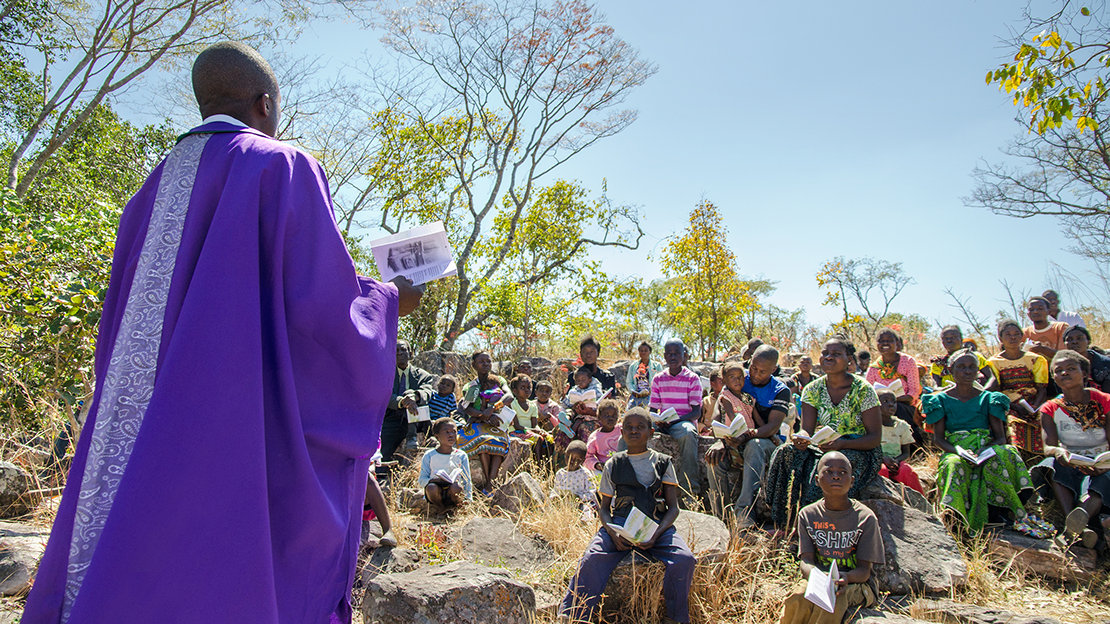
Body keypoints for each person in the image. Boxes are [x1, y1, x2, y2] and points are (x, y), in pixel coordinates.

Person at [21, 42, 425, 624]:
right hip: (237, 420)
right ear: (264, 104)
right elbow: (324, 315)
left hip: (142, 424)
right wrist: (389, 302)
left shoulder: (148, 193)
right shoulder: (281, 167)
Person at [559, 408, 695, 624]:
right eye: (629, 427)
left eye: (640, 427)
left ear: (651, 432)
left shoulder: (663, 462)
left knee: (684, 559)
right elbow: (604, 508)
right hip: (621, 523)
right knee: (592, 556)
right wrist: (612, 532)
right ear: (622, 433)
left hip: (656, 525)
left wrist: (656, 534)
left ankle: (675, 617)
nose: (634, 431)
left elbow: (673, 508)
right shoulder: (614, 463)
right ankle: (575, 615)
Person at [763, 337, 883, 528]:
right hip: (826, 445)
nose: (828, 357)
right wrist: (801, 439)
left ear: (849, 359)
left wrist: (843, 444)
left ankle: (818, 527)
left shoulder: (863, 390)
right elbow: (807, 429)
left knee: (828, 467)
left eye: (836, 354)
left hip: (859, 449)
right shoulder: (813, 389)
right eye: (825, 353)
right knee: (785, 453)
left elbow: (875, 438)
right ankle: (784, 521)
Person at [923, 349, 1032, 533]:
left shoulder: (989, 399)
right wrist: (959, 451)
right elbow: (939, 439)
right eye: (961, 367)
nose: (967, 371)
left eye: (972, 367)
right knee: (953, 464)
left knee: (1005, 453)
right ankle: (957, 519)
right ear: (951, 369)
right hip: (956, 448)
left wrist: (984, 450)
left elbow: (1000, 437)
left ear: (978, 372)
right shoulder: (940, 400)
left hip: (985, 447)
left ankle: (1001, 513)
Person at [778, 452, 885, 624]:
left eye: (843, 472)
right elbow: (806, 561)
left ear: (852, 481)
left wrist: (846, 578)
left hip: (856, 584)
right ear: (816, 479)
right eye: (829, 472)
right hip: (819, 581)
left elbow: (865, 571)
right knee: (797, 598)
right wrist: (817, 577)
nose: (836, 476)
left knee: (832, 601)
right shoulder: (808, 514)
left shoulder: (865, 518)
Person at [1035, 350, 1110, 549]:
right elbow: (1048, 446)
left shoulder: (1104, 401)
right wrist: (1059, 452)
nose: (1064, 373)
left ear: (1084, 373)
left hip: (1104, 461)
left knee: (1103, 479)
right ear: (1054, 378)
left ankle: (1074, 527)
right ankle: (1074, 522)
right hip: (1072, 460)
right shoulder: (1049, 408)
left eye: (1071, 368)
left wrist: (1105, 463)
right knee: (1052, 464)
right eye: (1058, 371)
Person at [705, 351, 785, 526]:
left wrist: (749, 435)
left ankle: (744, 513)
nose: (754, 374)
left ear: (774, 370)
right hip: (734, 437)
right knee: (713, 458)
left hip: (757, 440)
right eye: (753, 368)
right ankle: (721, 516)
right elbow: (720, 415)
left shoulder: (780, 391)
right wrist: (721, 440)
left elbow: (769, 426)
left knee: (754, 446)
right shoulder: (736, 381)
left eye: (762, 371)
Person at [647, 339, 704, 502]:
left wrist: (675, 420)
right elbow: (653, 409)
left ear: (684, 355)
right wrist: (656, 420)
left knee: (688, 433)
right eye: (669, 354)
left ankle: (690, 490)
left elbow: (696, 412)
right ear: (664, 356)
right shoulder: (658, 378)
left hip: (681, 421)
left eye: (676, 353)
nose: (672, 357)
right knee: (634, 429)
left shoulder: (692, 378)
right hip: (662, 421)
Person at [989, 319, 1050, 457]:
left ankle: (1045, 458)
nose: (1013, 337)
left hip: (1034, 402)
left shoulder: (1036, 359)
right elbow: (997, 389)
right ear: (1000, 338)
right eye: (1008, 335)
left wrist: (1035, 406)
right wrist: (1014, 407)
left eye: (1016, 334)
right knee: (1013, 422)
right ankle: (1020, 458)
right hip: (1009, 404)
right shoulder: (993, 362)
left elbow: (1042, 388)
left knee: (1044, 420)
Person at [457, 352, 512, 490]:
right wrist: (483, 415)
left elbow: (509, 396)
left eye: (488, 361)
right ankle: (489, 482)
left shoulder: (499, 380)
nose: (486, 364)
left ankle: (490, 483)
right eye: (481, 361)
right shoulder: (471, 386)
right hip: (478, 422)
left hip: (497, 421)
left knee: (499, 442)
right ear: (474, 365)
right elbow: (467, 408)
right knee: (483, 443)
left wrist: (493, 409)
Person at [865, 327, 923, 445]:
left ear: (897, 343)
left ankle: (910, 446)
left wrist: (892, 400)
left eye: (889, 340)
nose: (885, 343)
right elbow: (868, 393)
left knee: (897, 408)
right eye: (881, 341)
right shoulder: (873, 368)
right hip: (881, 408)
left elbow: (914, 392)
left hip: (906, 406)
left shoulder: (908, 361)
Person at [382, 340, 437, 459]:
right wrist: (402, 402)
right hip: (393, 416)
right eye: (396, 351)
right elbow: (385, 395)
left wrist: (413, 396)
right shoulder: (386, 375)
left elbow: (426, 392)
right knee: (384, 450)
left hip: (419, 418)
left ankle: (412, 437)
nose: (399, 353)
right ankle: (381, 474)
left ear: (410, 354)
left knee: (410, 393)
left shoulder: (423, 375)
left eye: (403, 350)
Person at [418, 417, 473, 513]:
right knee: (431, 488)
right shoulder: (429, 455)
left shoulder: (461, 455)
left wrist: (469, 498)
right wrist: (435, 480)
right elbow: (422, 480)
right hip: (436, 492)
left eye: (454, 432)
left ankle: (453, 508)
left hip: (453, 491)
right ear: (437, 436)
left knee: (457, 487)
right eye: (447, 432)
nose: (451, 435)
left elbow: (467, 480)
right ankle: (440, 509)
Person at [876, 389, 923, 494]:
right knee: (881, 471)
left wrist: (896, 461)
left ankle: (921, 502)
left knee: (907, 471)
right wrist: (882, 459)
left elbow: (906, 452)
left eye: (894, 401)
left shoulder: (901, 426)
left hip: (896, 462)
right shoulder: (871, 425)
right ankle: (883, 498)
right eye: (885, 401)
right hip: (877, 460)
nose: (891, 405)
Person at [930, 325, 998, 390]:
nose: (949, 340)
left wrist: (982, 393)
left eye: (953, 337)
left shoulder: (976, 357)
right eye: (945, 338)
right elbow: (935, 386)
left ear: (961, 339)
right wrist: (945, 391)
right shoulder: (938, 363)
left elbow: (992, 378)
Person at [1064, 326, 1110, 392]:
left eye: (1079, 338)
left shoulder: (1106, 364)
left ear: (1088, 342)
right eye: (1070, 339)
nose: (1074, 342)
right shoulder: (1060, 365)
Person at [564, 366, 605, 440]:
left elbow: (600, 402)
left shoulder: (595, 389)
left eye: (583, 379)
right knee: (569, 411)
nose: (581, 382)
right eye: (578, 380)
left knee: (580, 422)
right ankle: (566, 420)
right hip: (577, 412)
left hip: (590, 413)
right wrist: (564, 395)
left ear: (589, 380)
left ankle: (571, 431)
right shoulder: (574, 391)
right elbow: (569, 404)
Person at [1024, 296, 1071, 360]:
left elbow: (1065, 355)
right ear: (1028, 314)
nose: (1035, 312)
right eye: (1031, 310)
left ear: (1049, 311)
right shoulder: (1024, 333)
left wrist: (1042, 349)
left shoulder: (1061, 327)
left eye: (1040, 309)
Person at [552, 440, 597, 505]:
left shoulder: (585, 474)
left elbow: (592, 493)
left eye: (577, 459)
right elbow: (555, 490)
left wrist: (579, 497)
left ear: (582, 461)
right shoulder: (560, 473)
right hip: (564, 505)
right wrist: (555, 497)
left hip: (581, 504)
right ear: (565, 454)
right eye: (568, 457)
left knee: (587, 511)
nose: (571, 461)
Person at [586, 400, 623, 472]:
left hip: (622, 464)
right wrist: (596, 465)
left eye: (614, 415)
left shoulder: (622, 430)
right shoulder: (595, 438)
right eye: (607, 415)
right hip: (604, 468)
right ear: (599, 417)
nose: (611, 418)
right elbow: (587, 457)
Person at [626, 341, 663, 409]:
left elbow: (660, 382)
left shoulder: (657, 366)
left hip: (651, 395)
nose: (643, 352)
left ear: (650, 352)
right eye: (641, 351)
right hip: (636, 395)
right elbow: (629, 382)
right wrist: (633, 391)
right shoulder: (633, 366)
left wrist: (650, 391)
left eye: (646, 351)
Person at [700, 368, 724, 434]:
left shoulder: (728, 400)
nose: (724, 384)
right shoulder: (706, 401)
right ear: (712, 383)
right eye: (721, 382)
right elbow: (698, 421)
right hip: (707, 431)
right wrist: (704, 428)